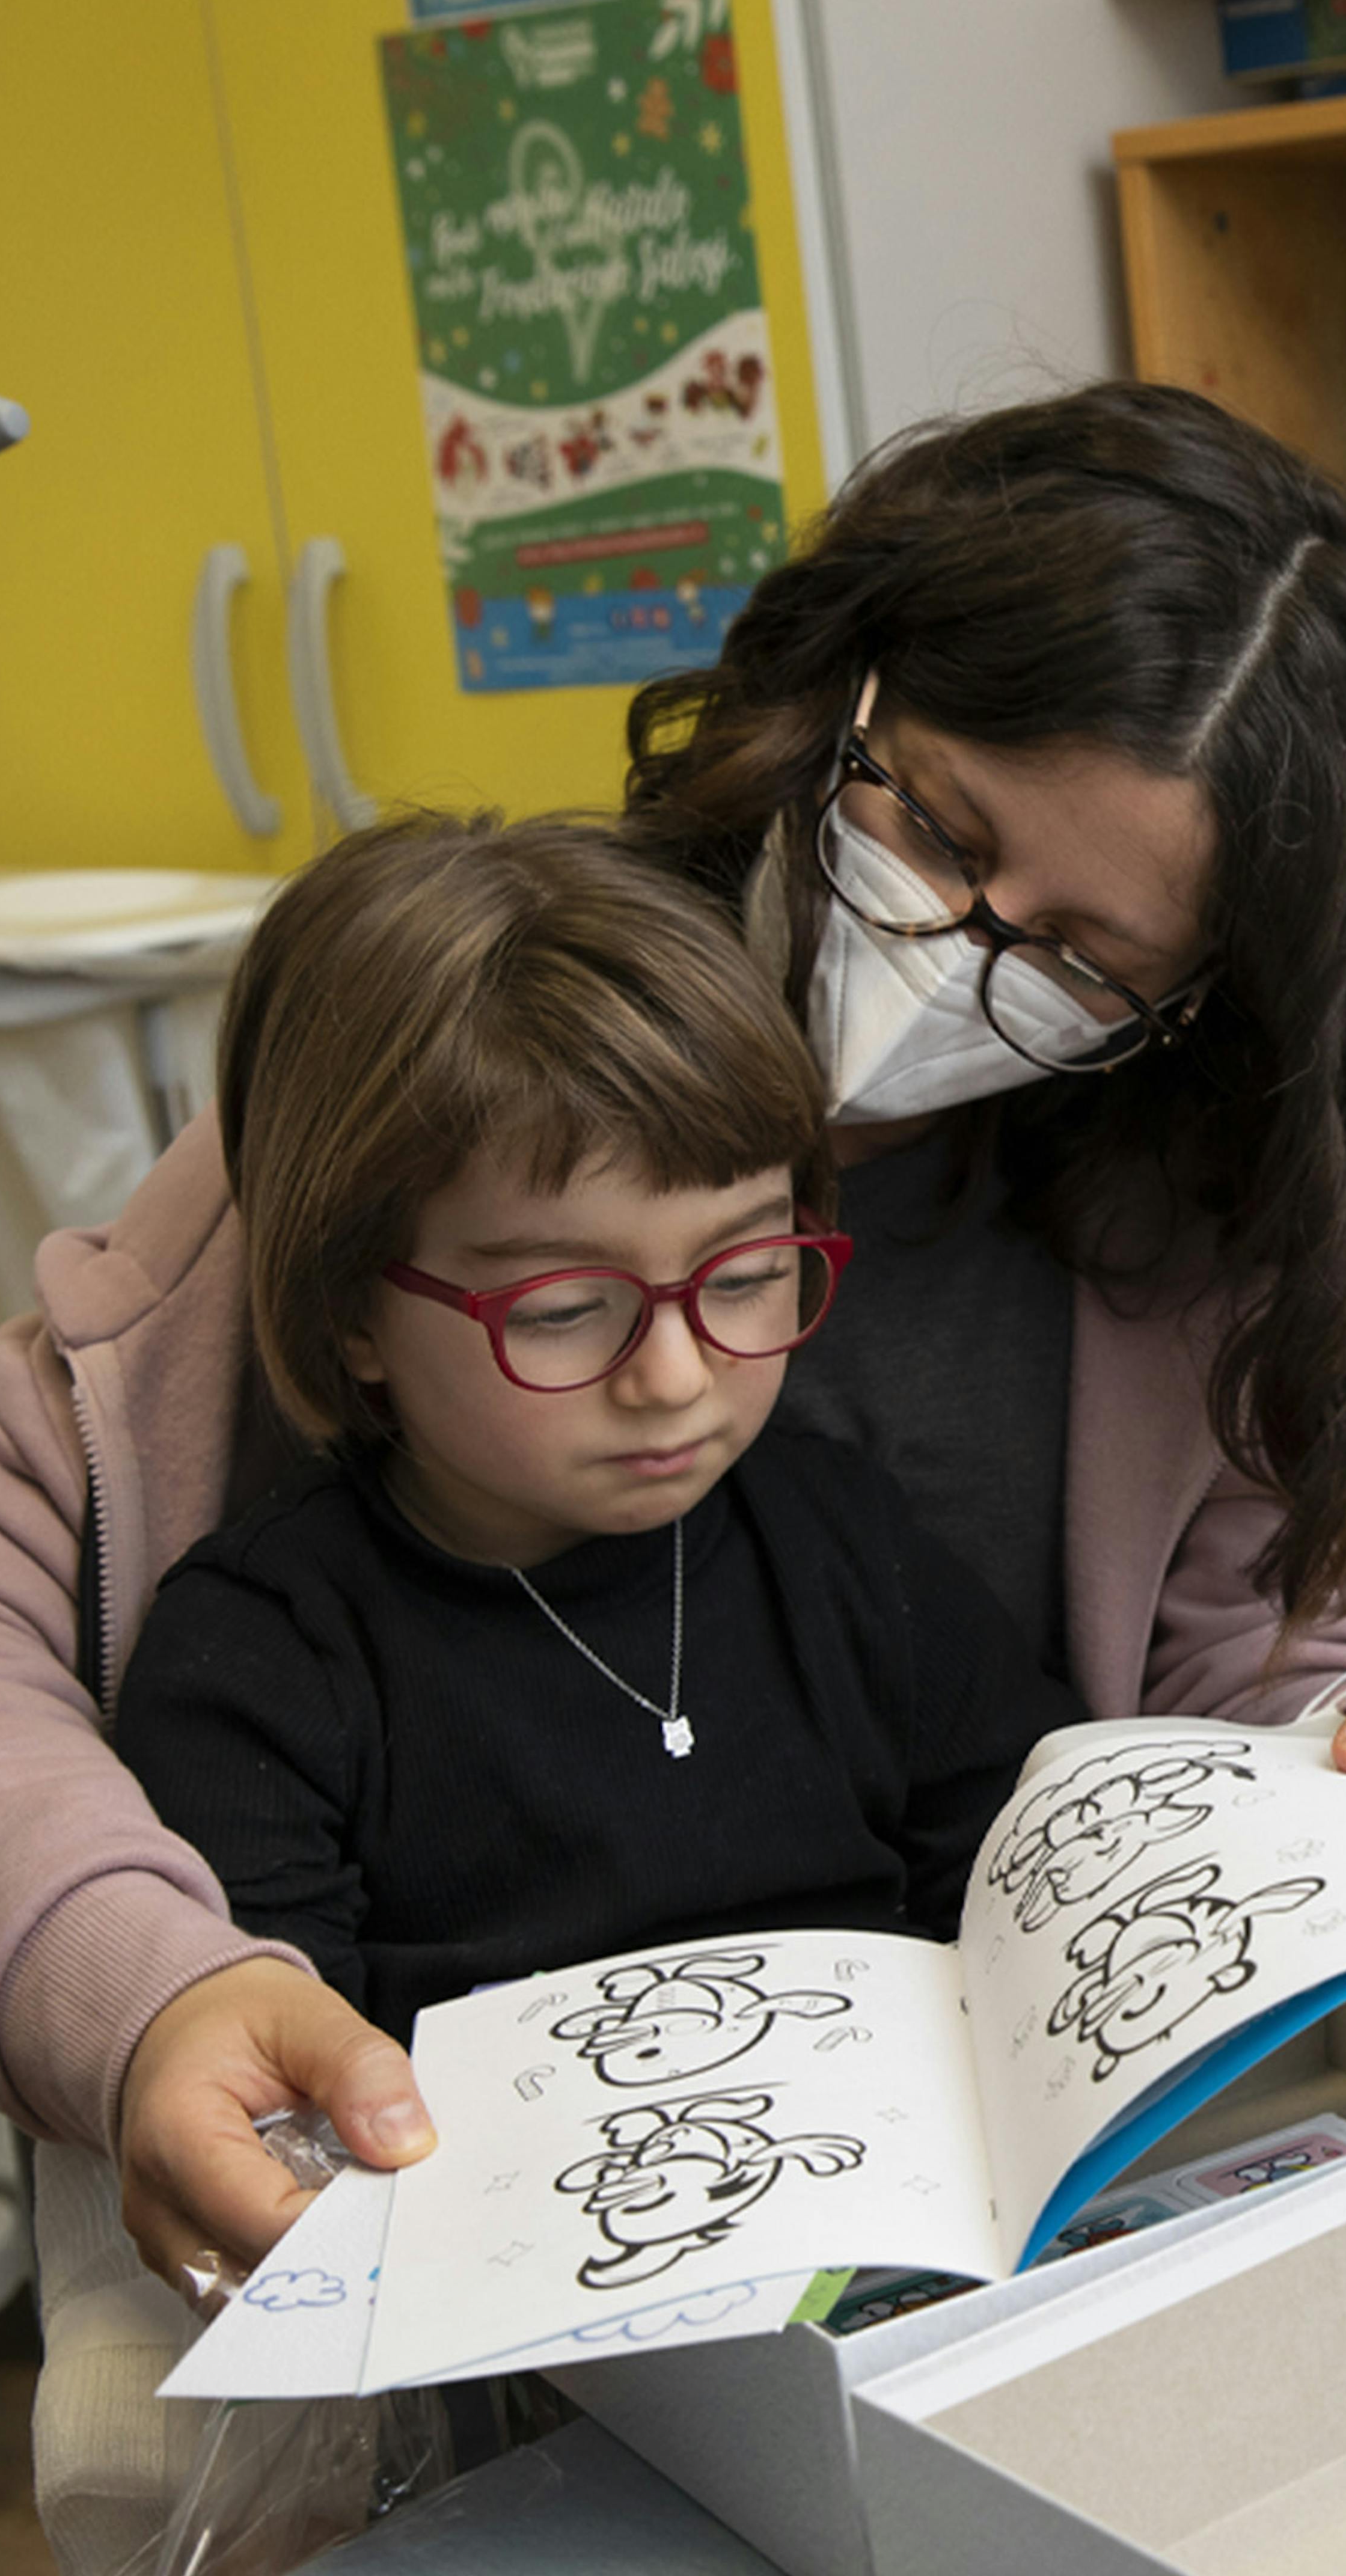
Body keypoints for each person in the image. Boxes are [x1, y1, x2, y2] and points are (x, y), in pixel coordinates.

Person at [0, 382, 1346, 2310]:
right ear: (837, 698)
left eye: (1080, 961)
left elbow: (1265, 1649)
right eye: (937, 827)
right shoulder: (463, 1065)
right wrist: (142, 1994)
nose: (952, 946)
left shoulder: (1188, 1210)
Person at [111, 813, 1062, 2040]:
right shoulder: (260, 1662)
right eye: (563, 1309)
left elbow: (1033, 1876)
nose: (676, 1378)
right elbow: (289, 2091)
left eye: (741, 1278)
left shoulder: (848, 1545)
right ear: (351, 1312)